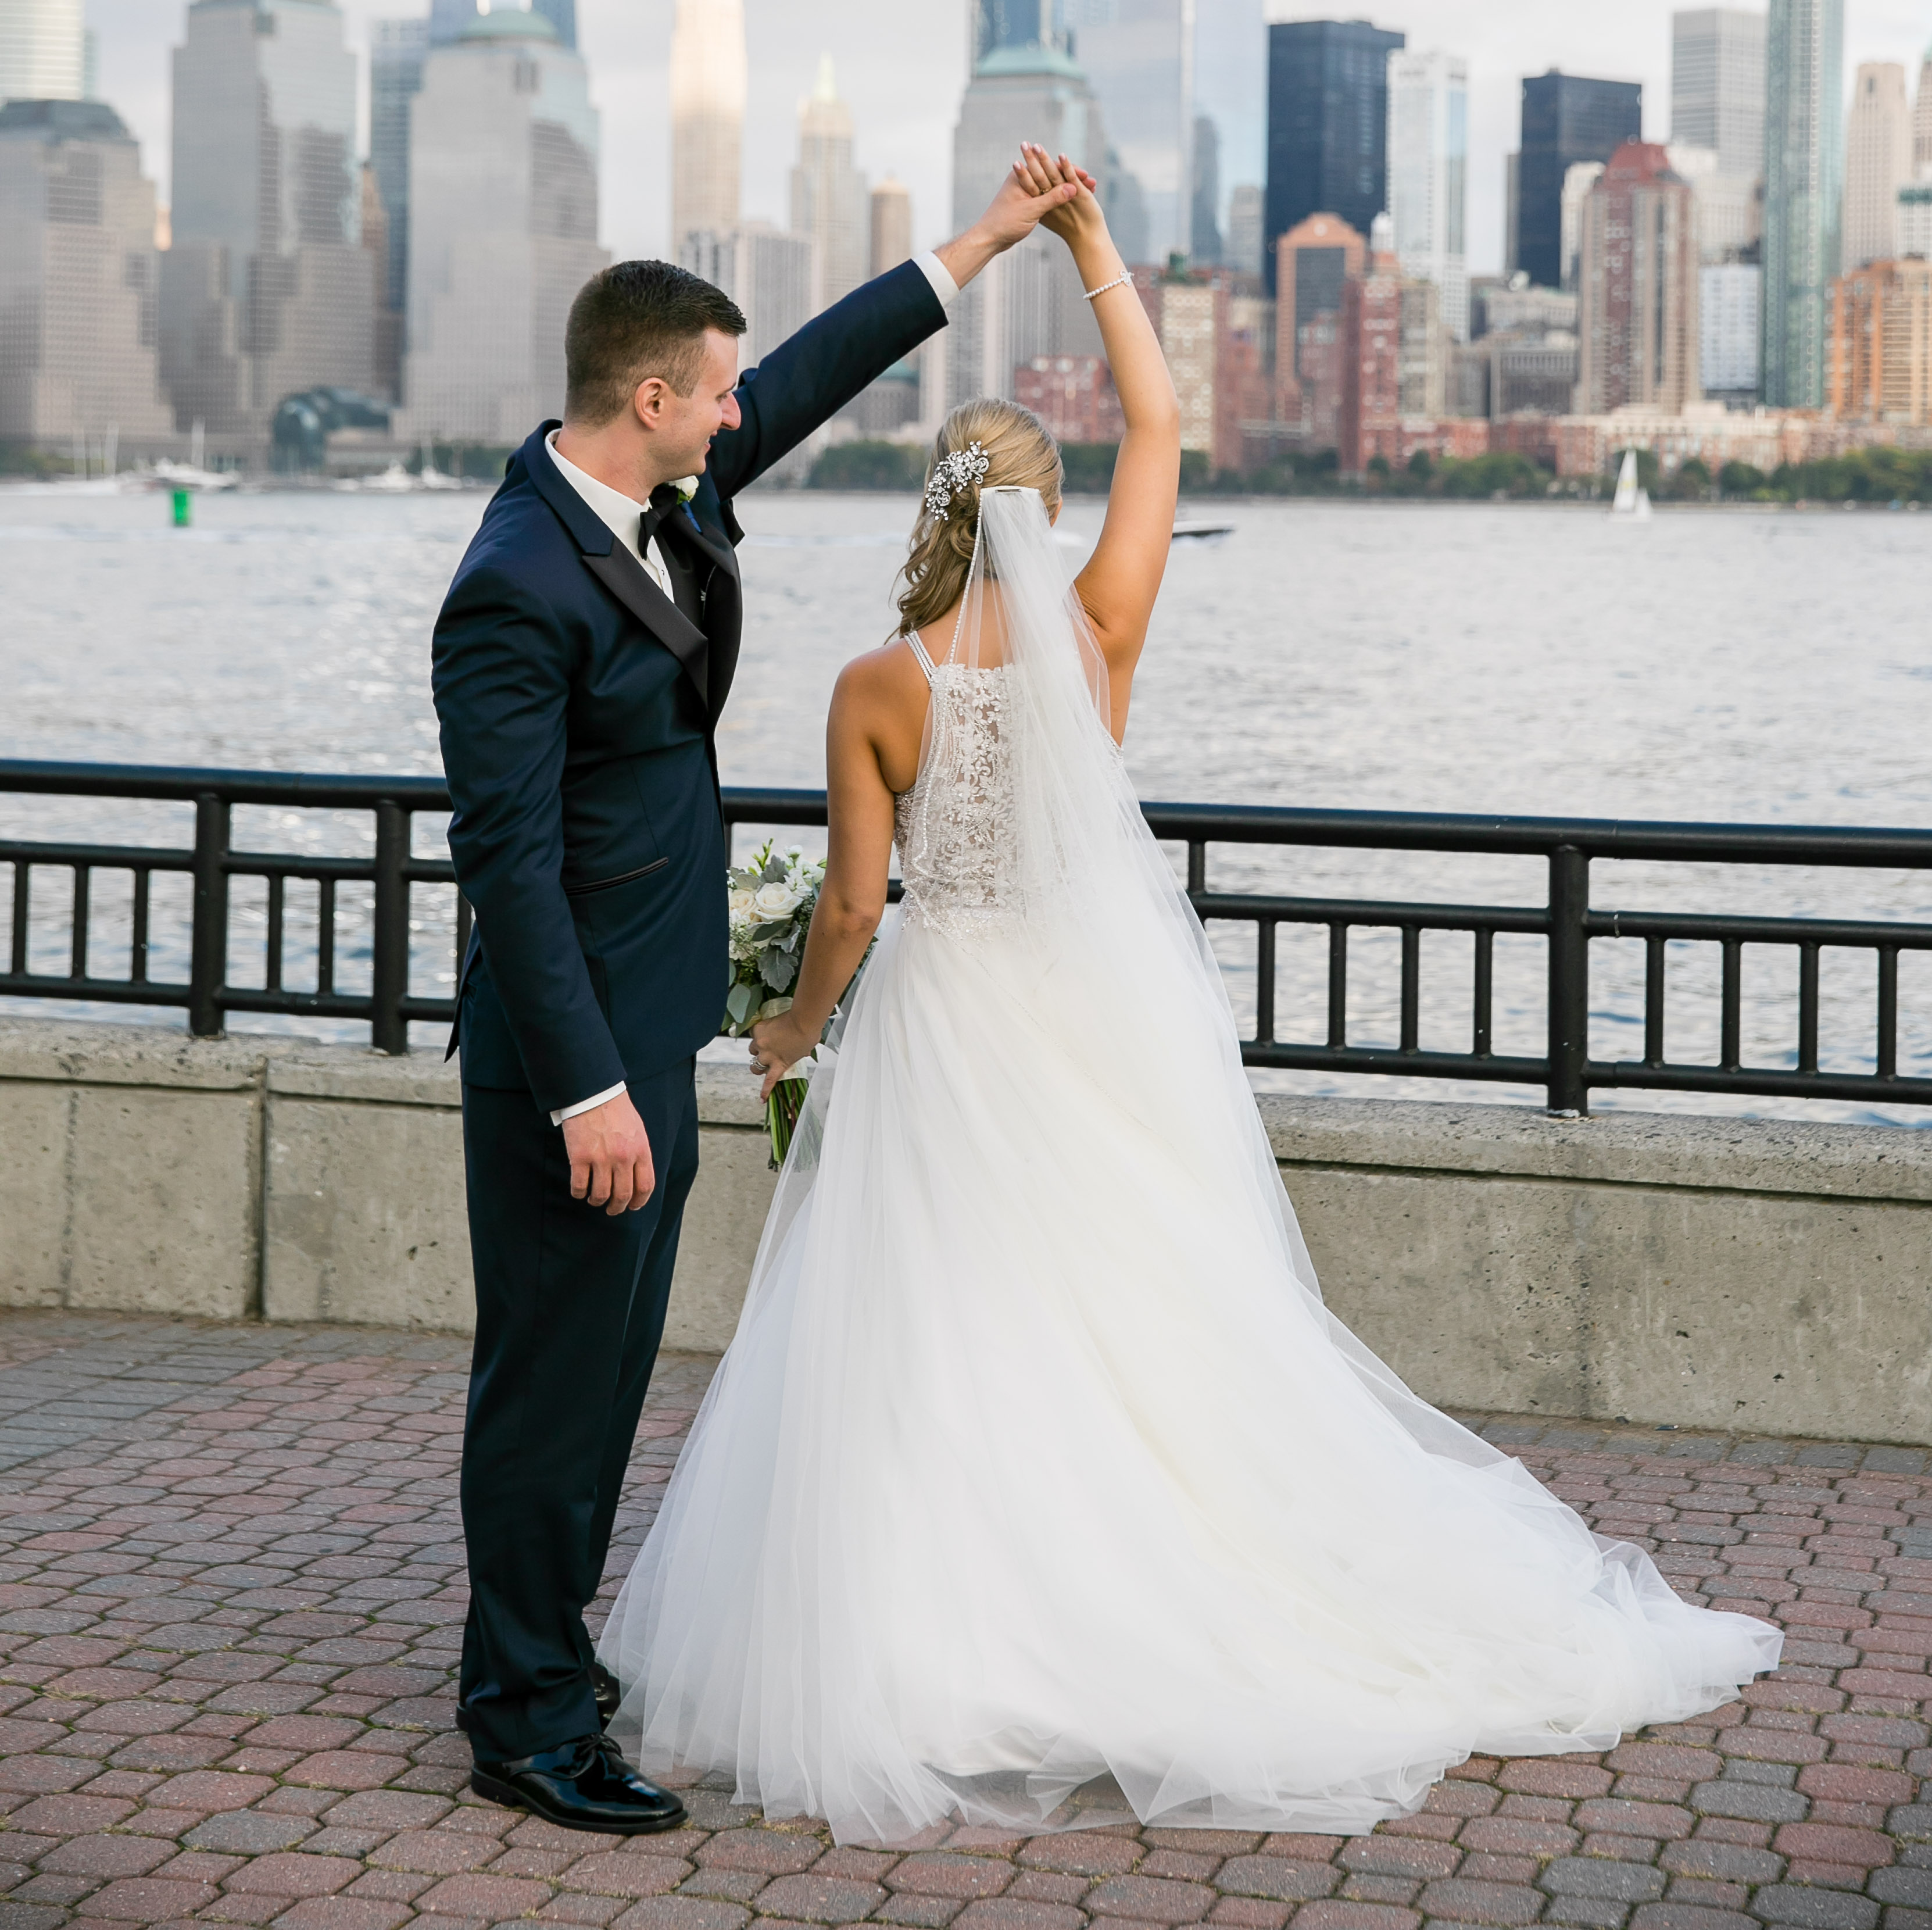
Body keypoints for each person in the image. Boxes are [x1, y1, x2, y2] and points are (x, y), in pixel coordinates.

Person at [601, 146, 1781, 1845]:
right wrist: (1092, 250)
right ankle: (1141, 1600)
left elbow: (855, 908)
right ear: (1042, 508)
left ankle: (959, 1636)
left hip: (946, 1026)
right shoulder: (1100, 628)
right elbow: (1167, 433)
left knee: (934, 1335)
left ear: (931, 508)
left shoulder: (877, 684)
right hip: (1086, 1022)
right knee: (1122, 1325)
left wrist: (787, 1026)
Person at [430, 150, 1085, 1836]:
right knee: (552, 1385)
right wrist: (586, 1091)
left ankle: (549, 1663)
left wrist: (987, 244)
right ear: (647, 397)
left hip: (654, 1028)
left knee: (609, 1370)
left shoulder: (665, 498)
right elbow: (507, 865)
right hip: (572, 1062)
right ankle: (522, 1720)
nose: (738, 419)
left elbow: (804, 370)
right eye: (712, 398)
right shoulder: (511, 589)